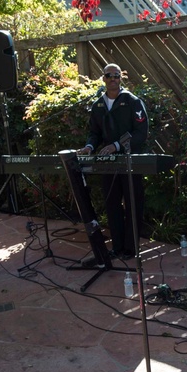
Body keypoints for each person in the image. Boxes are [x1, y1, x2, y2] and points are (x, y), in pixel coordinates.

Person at [77, 63, 149, 259]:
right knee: (112, 204)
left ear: (121, 78)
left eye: (116, 75)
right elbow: (94, 133)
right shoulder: (98, 105)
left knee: (133, 204)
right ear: (103, 79)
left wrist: (117, 145)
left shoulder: (132, 101)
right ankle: (117, 247)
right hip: (108, 163)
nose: (113, 79)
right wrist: (90, 147)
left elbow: (141, 133)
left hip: (129, 161)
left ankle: (130, 248)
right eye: (109, 75)